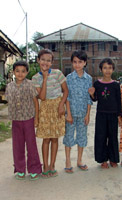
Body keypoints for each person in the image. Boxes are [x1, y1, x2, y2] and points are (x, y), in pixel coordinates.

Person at [32, 49, 68, 178]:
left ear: (52, 62)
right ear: (38, 60)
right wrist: (45, 78)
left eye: (48, 60)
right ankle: (45, 165)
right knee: (46, 138)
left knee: (55, 138)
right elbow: (41, 97)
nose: (45, 62)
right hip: (45, 108)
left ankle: (52, 165)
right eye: (43, 60)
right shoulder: (35, 78)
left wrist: (61, 105)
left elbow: (65, 91)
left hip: (57, 107)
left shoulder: (58, 74)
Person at [5, 60, 42, 180]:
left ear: (27, 72)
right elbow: (8, 102)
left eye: (23, 71)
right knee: (18, 146)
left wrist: (36, 118)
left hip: (28, 119)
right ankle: (20, 169)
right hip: (16, 120)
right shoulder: (9, 86)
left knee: (31, 146)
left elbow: (36, 102)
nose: (20, 74)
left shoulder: (30, 84)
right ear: (13, 72)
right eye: (17, 71)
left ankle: (34, 169)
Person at [88, 58, 122, 169]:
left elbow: (119, 101)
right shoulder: (97, 83)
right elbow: (95, 99)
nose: (107, 70)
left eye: (110, 68)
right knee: (101, 137)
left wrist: (119, 115)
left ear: (113, 69)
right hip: (101, 115)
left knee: (113, 137)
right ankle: (103, 160)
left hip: (113, 115)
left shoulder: (116, 85)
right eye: (105, 68)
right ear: (101, 69)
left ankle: (113, 159)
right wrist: (92, 94)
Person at [63, 50, 92, 173]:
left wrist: (88, 114)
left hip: (83, 113)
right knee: (69, 137)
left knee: (82, 137)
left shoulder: (88, 79)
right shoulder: (69, 78)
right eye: (75, 62)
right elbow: (67, 97)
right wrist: (68, 113)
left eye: (80, 62)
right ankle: (68, 161)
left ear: (85, 63)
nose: (77, 64)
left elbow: (89, 98)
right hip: (71, 114)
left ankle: (79, 160)